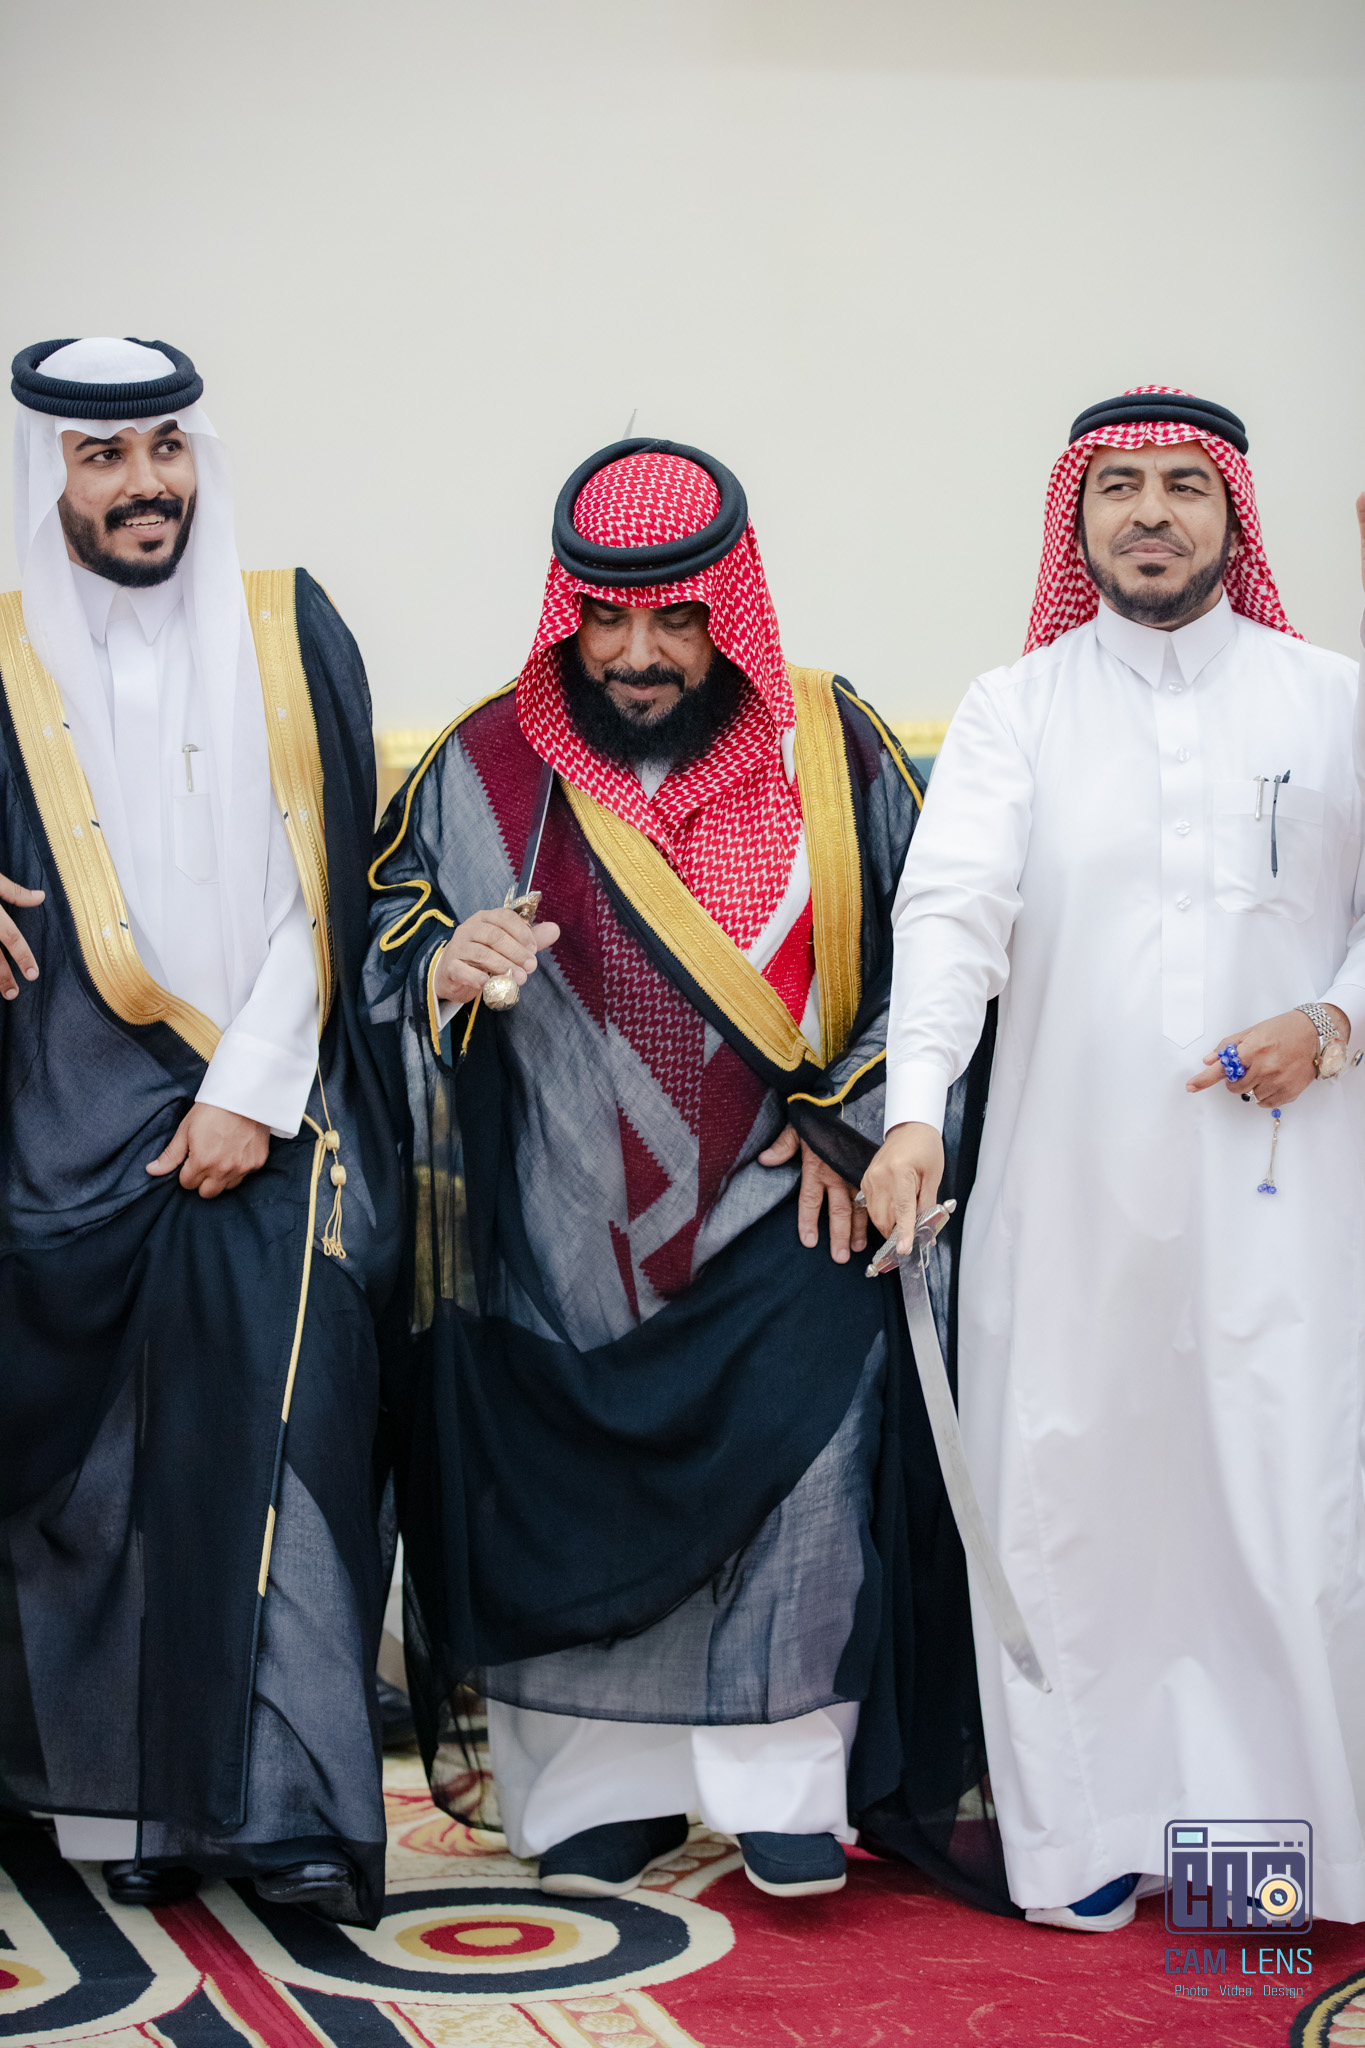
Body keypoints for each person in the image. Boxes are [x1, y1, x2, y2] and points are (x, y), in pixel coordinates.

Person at [366, 438, 1010, 1908]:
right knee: (570, 1496)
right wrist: (446, 965)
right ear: (567, 612)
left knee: (806, 1474)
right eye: (605, 617)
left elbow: (936, 958)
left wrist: (854, 1120)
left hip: (789, 1210)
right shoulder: (486, 765)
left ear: (733, 609)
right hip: (563, 1232)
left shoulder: (831, 750)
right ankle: (604, 1791)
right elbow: (384, 938)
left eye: (675, 616)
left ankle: (781, 1791)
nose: (639, 652)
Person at [864, 385, 1365, 1930]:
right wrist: (912, 1109)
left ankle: (1263, 1863)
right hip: (1068, 1197)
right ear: (1075, 518)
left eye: (1181, 487)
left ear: (1232, 517)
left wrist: (1334, 1022)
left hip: (1285, 1198)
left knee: (1272, 1509)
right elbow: (949, 918)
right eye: (1118, 488)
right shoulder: (1015, 710)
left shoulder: (1333, 700)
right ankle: (1080, 1843)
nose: (1149, 513)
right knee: (1070, 1507)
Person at [0, 337, 401, 1925]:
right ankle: (124, 1804)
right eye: (101, 457)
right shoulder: (2, 653)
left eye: (164, 447)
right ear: (47, 477)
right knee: (106, 1469)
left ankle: (283, 1807)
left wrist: (253, 1082)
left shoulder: (288, 628)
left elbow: (339, 881)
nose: (142, 483)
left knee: (284, 1442)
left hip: (270, 1114)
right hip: (60, 1127)